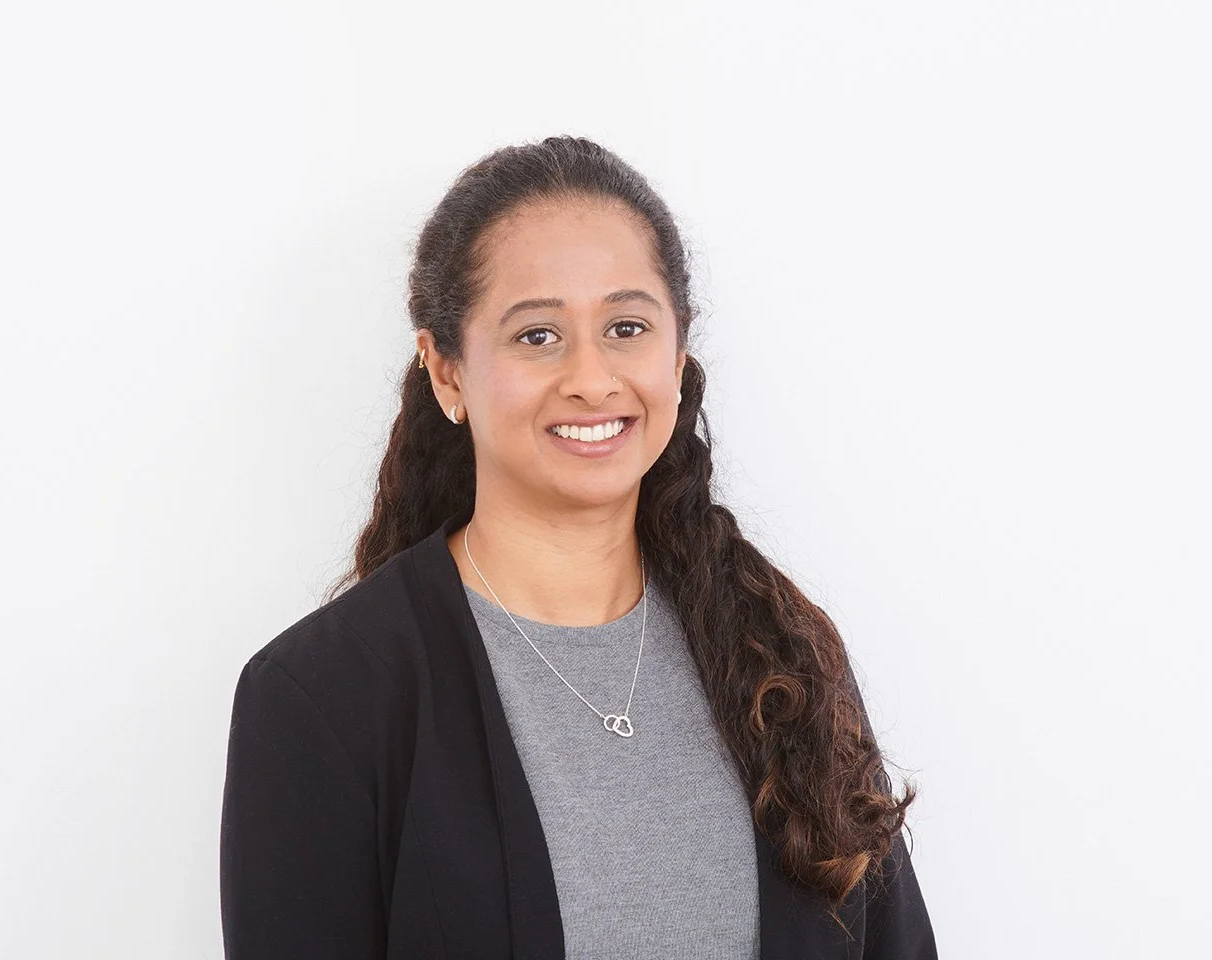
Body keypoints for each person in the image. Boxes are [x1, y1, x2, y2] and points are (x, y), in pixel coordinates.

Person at [219, 135, 937, 959]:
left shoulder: (781, 653)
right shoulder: (325, 695)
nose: (592, 378)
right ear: (446, 371)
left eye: (627, 327)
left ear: (678, 352)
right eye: (537, 337)